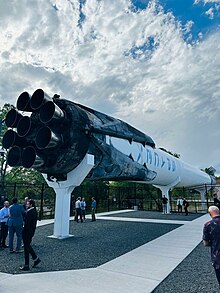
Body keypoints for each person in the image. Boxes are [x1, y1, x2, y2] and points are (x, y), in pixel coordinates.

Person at [20, 199, 41, 271]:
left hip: (27, 231)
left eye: (28, 204)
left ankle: (26, 265)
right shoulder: (34, 211)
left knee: (26, 247)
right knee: (27, 245)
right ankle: (35, 259)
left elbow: (27, 223)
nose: (27, 205)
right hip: (30, 231)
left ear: (31, 205)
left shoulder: (30, 212)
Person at [203, 206, 220, 288]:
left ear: (210, 214)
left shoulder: (208, 225)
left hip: (217, 257)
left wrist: (213, 243)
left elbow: (205, 243)